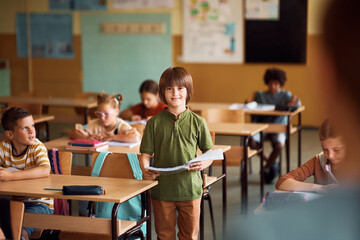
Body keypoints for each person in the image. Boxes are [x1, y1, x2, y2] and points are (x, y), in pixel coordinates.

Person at [139, 67, 214, 240]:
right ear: (162, 93)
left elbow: (208, 152)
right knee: (164, 235)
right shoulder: (154, 123)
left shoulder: (198, 122)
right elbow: (145, 155)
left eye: (180, 88)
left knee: (189, 236)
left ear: (188, 91)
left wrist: (204, 162)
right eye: (169, 88)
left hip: (190, 189)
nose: (175, 93)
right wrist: (145, 169)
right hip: (162, 190)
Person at [0, 107, 52, 240]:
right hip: (15, 202)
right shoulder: (4, 147)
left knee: (18, 231)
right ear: (10, 135)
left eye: (32, 126)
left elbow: (45, 169)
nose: (32, 131)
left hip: (40, 204)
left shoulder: (37, 147)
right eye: (25, 128)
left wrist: (11, 176)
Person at [249, 67, 301, 184]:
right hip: (263, 127)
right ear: (267, 83)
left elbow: (296, 104)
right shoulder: (261, 95)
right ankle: (272, 162)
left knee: (278, 145)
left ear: (280, 84)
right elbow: (253, 107)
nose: (273, 86)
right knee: (251, 142)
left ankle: (266, 167)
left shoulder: (286, 95)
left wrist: (294, 100)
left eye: (276, 84)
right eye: (270, 83)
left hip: (279, 128)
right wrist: (249, 103)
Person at [276, 119, 345, 192]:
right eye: (325, 149)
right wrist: (317, 188)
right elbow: (282, 182)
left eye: (336, 150)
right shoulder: (319, 160)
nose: (330, 155)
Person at [69, 93, 140, 143]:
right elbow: (73, 133)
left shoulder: (122, 126)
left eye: (106, 114)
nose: (102, 118)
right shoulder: (95, 124)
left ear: (116, 111)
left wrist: (112, 138)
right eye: (99, 114)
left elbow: (136, 137)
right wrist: (87, 138)